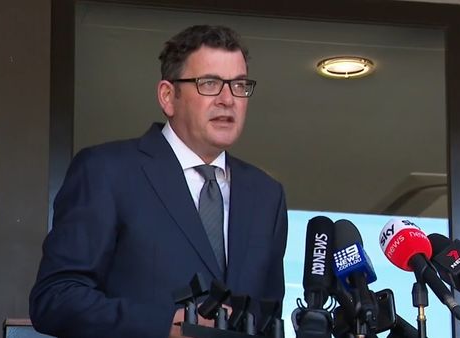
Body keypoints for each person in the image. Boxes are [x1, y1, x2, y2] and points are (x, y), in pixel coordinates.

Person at [29, 25, 288, 338]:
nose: (227, 99)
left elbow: (267, 316)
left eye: (238, 85)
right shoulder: (107, 171)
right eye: (209, 83)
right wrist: (166, 325)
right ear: (168, 96)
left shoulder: (266, 196)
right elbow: (56, 298)